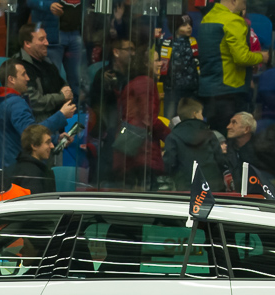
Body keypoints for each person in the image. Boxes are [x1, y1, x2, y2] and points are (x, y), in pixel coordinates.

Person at [198, 0, 267, 135]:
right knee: (232, 136)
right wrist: (262, 57)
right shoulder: (233, 21)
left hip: (209, 89)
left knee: (216, 136)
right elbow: (242, 58)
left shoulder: (207, 18)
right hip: (230, 89)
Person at [0, 58, 75, 172]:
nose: (28, 78)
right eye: (23, 74)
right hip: (20, 170)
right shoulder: (16, 103)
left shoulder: (4, 101)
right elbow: (31, 133)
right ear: (11, 79)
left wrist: (55, 138)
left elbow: (22, 133)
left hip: (11, 167)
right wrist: (61, 115)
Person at [114, 45, 170, 188]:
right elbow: (149, 119)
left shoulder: (134, 83)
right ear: (146, 63)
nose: (160, 63)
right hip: (143, 151)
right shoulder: (146, 83)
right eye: (156, 60)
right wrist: (171, 136)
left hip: (134, 150)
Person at [87, 35, 134, 183]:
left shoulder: (133, 75)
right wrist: (104, 84)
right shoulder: (103, 75)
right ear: (116, 52)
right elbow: (95, 102)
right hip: (107, 130)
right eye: (129, 49)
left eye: (133, 50)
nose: (132, 53)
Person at [164, 97, 228, 191]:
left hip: (185, 189)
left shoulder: (173, 137)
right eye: (201, 113)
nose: (202, 117)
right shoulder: (209, 134)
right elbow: (221, 161)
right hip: (213, 188)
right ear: (194, 114)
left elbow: (169, 165)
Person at [26, 0, 83, 105]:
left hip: (76, 32)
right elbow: (30, 1)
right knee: (52, 79)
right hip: (52, 34)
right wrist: (49, 5)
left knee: (76, 79)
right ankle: (53, 110)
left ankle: (75, 109)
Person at [18, 24, 72, 119]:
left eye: (46, 38)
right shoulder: (20, 66)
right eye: (41, 39)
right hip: (37, 123)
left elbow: (63, 85)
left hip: (57, 119)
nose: (47, 43)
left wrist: (66, 92)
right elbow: (33, 102)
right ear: (27, 43)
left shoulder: (47, 62)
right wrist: (61, 97)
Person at [162, 15, 199, 119]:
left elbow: (197, 62)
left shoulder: (193, 42)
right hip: (173, 89)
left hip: (191, 88)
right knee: (171, 115)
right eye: (184, 25)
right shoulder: (168, 43)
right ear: (176, 27)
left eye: (190, 24)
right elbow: (164, 65)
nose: (189, 27)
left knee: (190, 115)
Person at [8, 123, 57, 194]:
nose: (52, 146)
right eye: (47, 142)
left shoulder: (19, 168)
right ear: (34, 146)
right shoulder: (33, 174)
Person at [223, 111, 258, 183]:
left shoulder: (260, 152)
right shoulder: (226, 149)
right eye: (230, 122)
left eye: (234, 123)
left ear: (246, 129)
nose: (228, 127)